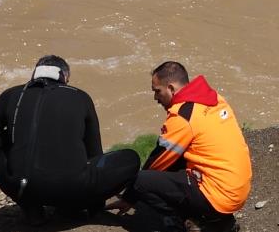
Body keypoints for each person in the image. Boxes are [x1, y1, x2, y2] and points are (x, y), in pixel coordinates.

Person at [0, 55, 140, 224]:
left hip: (21, 188)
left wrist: (13, 137)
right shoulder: (81, 97)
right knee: (131, 158)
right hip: (72, 191)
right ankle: (73, 209)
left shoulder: (10, 94)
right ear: (65, 77)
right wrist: (94, 206)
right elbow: (94, 153)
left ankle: (31, 209)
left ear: (34, 74)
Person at [108, 62, 252, 232]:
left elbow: (157, 162)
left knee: (140, 181)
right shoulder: (215, 99)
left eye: (157, 91)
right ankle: (217, 220)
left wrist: (130, 196)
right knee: (178, 159)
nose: (155, 98)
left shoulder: (183, 115)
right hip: (238, 190)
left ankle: (187, 224)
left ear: (171, 88)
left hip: (218, 196)